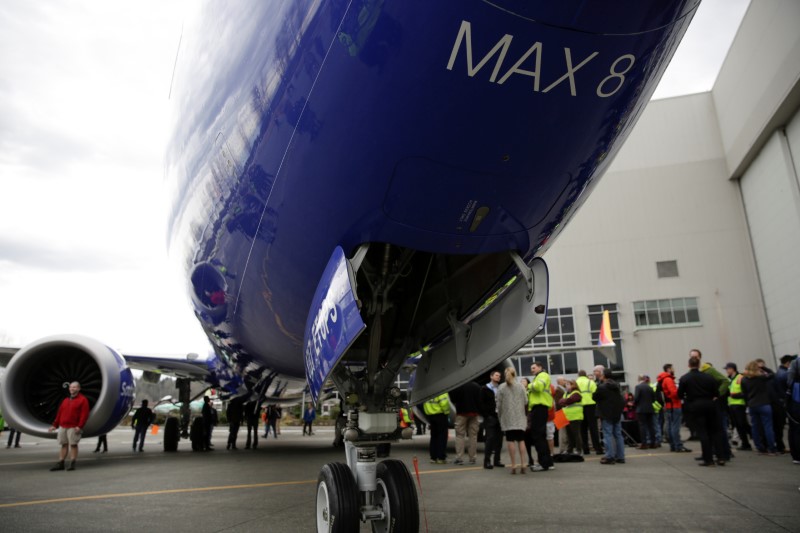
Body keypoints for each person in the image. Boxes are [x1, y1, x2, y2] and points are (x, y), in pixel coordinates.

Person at [678, 356, 727, 466]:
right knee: (715, 431)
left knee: (703, 432)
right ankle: (721, 457)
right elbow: (716, 392)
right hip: (710, 405)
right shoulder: (708, 377)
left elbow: (680, 395)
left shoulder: (685, 378)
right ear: (699, 365)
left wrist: (688, 399)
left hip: (695, 406)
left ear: (689, 365)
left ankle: (708, 459)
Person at [692, 348, 731, 461]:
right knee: (705, 430)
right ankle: (708, 453)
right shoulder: (695, 371)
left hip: (713, 404)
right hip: (703, 405)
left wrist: (717, 394)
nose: (694, 358)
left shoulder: (709, 370)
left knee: (718, 429)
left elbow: (725, 381)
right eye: (692, 356)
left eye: (696, 356)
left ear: (700, 357)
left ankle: (725, 452)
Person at [49, 381, 90, 471]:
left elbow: (84, 415)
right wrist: (55, 425)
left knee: (73, 444)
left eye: (74, 387)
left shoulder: (83, 400)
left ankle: (72, 463)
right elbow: (60, 413)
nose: (72, 389)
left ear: (78, 389)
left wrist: (80, 426)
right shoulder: (66, 400)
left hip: (73, 426)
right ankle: (61, 463)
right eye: (71, 387)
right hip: (63, 426)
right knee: (63, 444)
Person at [496, 367, 529, 474]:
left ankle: (514, 465)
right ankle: (523, 463)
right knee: (521, 440)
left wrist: (500, 415)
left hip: (508, 417)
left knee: (510, 440)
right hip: (519, 417)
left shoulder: (501, 387)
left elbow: (499, 404)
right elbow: (526, 401)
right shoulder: (521, 386)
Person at [741, 360, 777, 455]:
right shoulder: (761, 378)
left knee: (755, 427)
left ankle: (760, 447)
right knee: (768, 426)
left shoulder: (744, 380)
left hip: (752, 405)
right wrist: (763, 367)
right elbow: (772, 374)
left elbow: (744, 394)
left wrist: (747, 404)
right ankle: (771, 448)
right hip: (764, 404)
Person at [593, 368, 625, 465]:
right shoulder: (617, 386)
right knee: (618, 434)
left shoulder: (602, 387)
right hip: (617, 413)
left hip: (606, 414)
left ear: (604, 376)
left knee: (607, 434)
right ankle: (620, 456)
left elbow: (594, 397)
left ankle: (609, 456)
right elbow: (622, 399)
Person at [657, 364, 691, 453]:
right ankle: (678, 445)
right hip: (674, 405)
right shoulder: (668, 379)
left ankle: (673, 445)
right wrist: (681, 394)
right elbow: (674, 393)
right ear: (669, 369)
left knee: (670, 426)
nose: (674, 369)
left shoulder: (662, 379)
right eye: (673, 368)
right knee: (675, 426)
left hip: (669, 406)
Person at [527, 361, 554, 471]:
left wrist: (527, 385)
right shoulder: (539, 376)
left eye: (533, 368)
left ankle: (543, 463)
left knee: (538, 436)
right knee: (541, 436)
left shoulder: (542, 375)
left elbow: (538, 387)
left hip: (539, 407)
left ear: (540, 367)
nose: (532, 370)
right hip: (540, 408)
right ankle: (548, 462)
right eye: (531, 368)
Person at [449, 380, 481, 465]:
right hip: (474, 414)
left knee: (460, 435)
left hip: (461, 413)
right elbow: (480, 400)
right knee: (473, 436)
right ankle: (472, 458)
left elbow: (453, 399)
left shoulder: (458, 385)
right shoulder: (477, 386)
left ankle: (459, 458)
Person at [479, 370, 504, 469]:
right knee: (490, 438)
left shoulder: (501, 388)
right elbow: (481, 404)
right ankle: (487, 461)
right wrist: (487, 416)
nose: (498, 377)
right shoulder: (485, 389)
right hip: (490, 418)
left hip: (500, 417)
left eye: (499, 376)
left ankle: (497, 460)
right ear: (491, 376)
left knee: (500, 440)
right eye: (497, 375)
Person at [725, 363, 752, 451]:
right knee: (738, 425)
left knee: (742, 424)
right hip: (732, 405)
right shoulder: (730, 379)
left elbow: (746, 391)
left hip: (739, 404)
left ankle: (748, 442)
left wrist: (737, 395)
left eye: (727, 369)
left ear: (732, 369)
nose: (726, 370)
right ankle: (745, 443)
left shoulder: (740, 377)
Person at [576, 370, 602, 455]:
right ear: (586, 375)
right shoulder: (590, 382)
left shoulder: (575, 383)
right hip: (591, 405)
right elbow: (596, 393)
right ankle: (597, 448)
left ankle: (585, 449)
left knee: (583, 429)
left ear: (578, 375)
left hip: (580, 406)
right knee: (593, 428)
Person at [557, 379, 584, 455]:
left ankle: (579, 450)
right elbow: (560, 402)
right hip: (568, 417)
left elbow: (570, 400)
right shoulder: (566, 393)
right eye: (566, 384)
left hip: (575, 416)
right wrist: (564, 401)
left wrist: (564, 401)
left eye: (569, 384)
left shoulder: (576, 393)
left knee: (576, 434)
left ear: (573, 385)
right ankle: (570, 450)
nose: (567, 386)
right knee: (569, 435)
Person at [423, 392, 450, 464]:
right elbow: (444, 403)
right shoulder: (441, 390)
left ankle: (433, 457)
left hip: (431, 416)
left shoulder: (428, 391)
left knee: (433, 437)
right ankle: (441, 457)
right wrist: (447, 412)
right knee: (442, 437)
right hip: (441, 415)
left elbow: (424, 404)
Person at [633, 375, 656, 448]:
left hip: (641, 409)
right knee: (651, 426)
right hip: (650, 409)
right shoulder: (650, 387)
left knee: (642, 426)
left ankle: (644, 443)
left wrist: (634, 404)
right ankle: (653, 443)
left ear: (639, 379)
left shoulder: (638, 387)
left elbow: (636, 398)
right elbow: (653, 399)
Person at [786, 355, 800, 465]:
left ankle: (797, 456)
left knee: (795, 429)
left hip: (796, 401)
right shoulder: (796, 362)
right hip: (796, 400)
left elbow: (789, 382)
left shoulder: (795, 363)